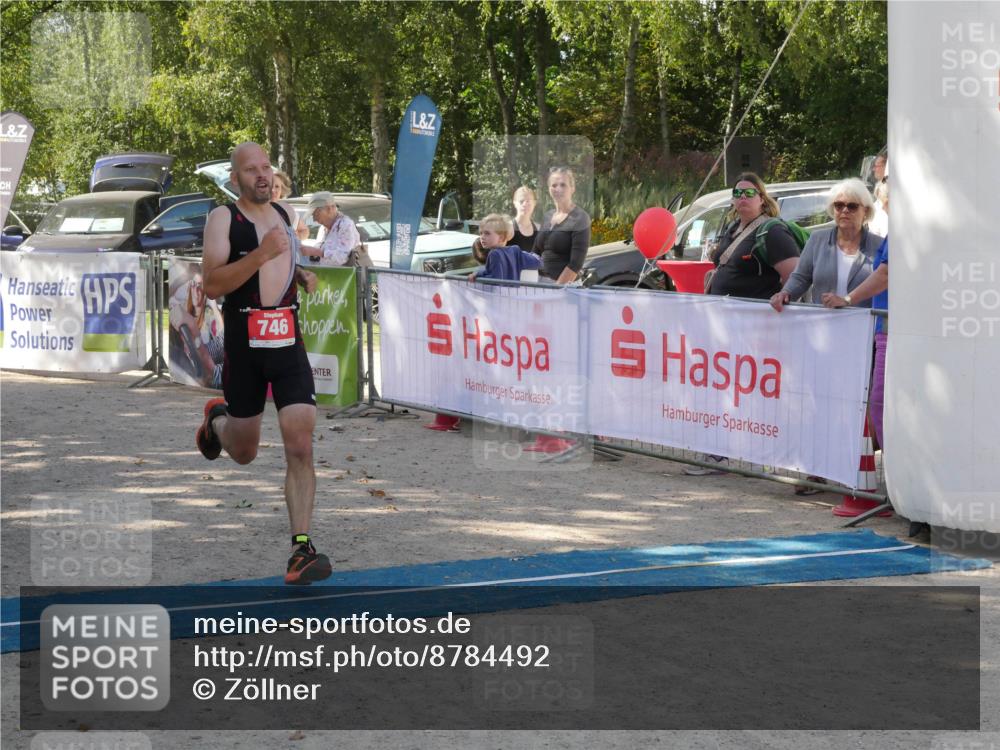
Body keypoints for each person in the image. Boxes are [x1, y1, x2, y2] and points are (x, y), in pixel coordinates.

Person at [194, 141, 330, 586]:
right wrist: (261, 256)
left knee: (300, 443)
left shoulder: (286, 216)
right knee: (245, 452)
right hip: (245, 344)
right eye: (251, 170)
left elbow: (281, 266)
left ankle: (301, 549)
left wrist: (300, 274)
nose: (262, 175)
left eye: (266, 167)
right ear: (236, 179)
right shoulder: (223, 219)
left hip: (287, 339)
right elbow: (212, 284)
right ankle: (217, 423)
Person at [769, 177, 882, 312]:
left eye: (852, 206)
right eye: (839, 205)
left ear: (866, 211)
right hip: (822, 324)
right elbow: (801, 277)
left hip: (862, 326)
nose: (844, 210)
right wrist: (786, 293)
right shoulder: (817, 239)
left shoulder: (879, 245)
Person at [705, 173, 801, 299]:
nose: (743, 196)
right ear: (733, 199)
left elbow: (795, 278)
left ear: (761, 199)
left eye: (749, 192)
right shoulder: (731, 227)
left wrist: (778, 309)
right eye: (738, 193)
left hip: (756, 315)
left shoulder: (773, 231)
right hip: (723, 313)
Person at [533, 168, 591, 284]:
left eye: (563, 185)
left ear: (572, 189)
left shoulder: (580, 218)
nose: (558, 189)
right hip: (539, 282)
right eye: (554, 185)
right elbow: (535, 252)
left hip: (564, 287)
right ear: (549, 189)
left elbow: (576, 264)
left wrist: (556, 290)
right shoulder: (547, 216)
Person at [169, 271, 224, 389]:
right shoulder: (184, 313)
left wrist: (194, 334)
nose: (197, 290)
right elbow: (214, 348)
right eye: (193, 285)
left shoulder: (210, 316)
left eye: (200, 286)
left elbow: (215, 376)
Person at [468, 213, 542, 283]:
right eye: (481, 233)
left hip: (499, 295)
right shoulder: (515, 251)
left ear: (501, 238)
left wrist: (478, 276)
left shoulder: (494, 254)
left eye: (487, 233)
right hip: (513, 294)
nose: (482, 237)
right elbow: (538, 261)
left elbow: (495, 281)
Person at [299, 191, 361, 267]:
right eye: (313, 215)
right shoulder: (323, 229)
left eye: (316, 213)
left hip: (344, 277)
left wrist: (316, 252)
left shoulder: (346, 225)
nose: (314, 219)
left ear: (329, 209)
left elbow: (343, 257)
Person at [272, 169, 309, 241]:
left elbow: (305, 231)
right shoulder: (254, 209)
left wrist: (295, 237)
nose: (273, 190)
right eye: (269, 186)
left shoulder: (287, 210)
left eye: (277, 186)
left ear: (282, 190)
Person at [510, 186, 538, 253]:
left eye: (528, 201)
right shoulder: (508, 228)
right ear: (514, 203)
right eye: (521, 201)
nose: (525, 204)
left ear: (534, 203)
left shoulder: (539, 228)